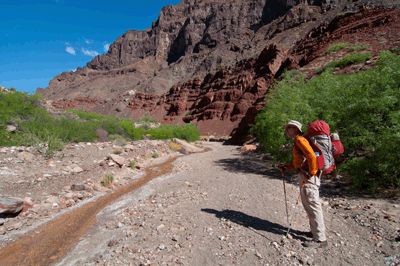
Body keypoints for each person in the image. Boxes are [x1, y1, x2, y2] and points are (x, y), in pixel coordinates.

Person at [279, 120, 328, 248]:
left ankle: (320, 239)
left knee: (312, 204)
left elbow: (311, 156)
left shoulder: (300, 140)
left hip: (309, 177)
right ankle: (315, 232)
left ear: (295, 129)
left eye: (288, 128)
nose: (286, 130)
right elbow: (298, 163)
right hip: (305, 175)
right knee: (308, 204)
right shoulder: (298, 140)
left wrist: (311, 173)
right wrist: (286, 167)